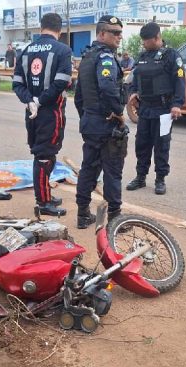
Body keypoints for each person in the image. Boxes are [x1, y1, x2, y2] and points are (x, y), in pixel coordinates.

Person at [12, 13, 72, 216]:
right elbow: (62, 82)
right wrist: (39, 101)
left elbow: (17, 84)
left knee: (44, 154)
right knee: (45, 157)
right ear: (60, 30)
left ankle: (45, 195)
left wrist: (30, 101)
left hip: (32, 112)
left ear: (41, 28)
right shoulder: (62, 50)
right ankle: (43, 202)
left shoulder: (26, 50)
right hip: (50, 111)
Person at [74, 15, 127, 228]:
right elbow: (107, 87)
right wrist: (117, 113)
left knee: (89, 168)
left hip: (90, 122)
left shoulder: (87, 56)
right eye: (114, 33)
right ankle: (115, 218)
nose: (119, 37)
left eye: (120, 33)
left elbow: (79, 96)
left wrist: (87, 115)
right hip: (106, 124)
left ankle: (83, 214)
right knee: (113, 170)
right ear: (102, 34)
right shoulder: (105, 56)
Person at [125, 22, 186, 195]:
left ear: (157, 37)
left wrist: (177, 104)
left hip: (164, 109)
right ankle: (140, 177)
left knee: (161, 146)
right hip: (145, 109)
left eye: (146, 40)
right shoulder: (142, 56)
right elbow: (132, 80)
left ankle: (160, 179)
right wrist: (133, 93)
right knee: (142, 144)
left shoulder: (172, 56)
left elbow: (180, 81)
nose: (143, 43)